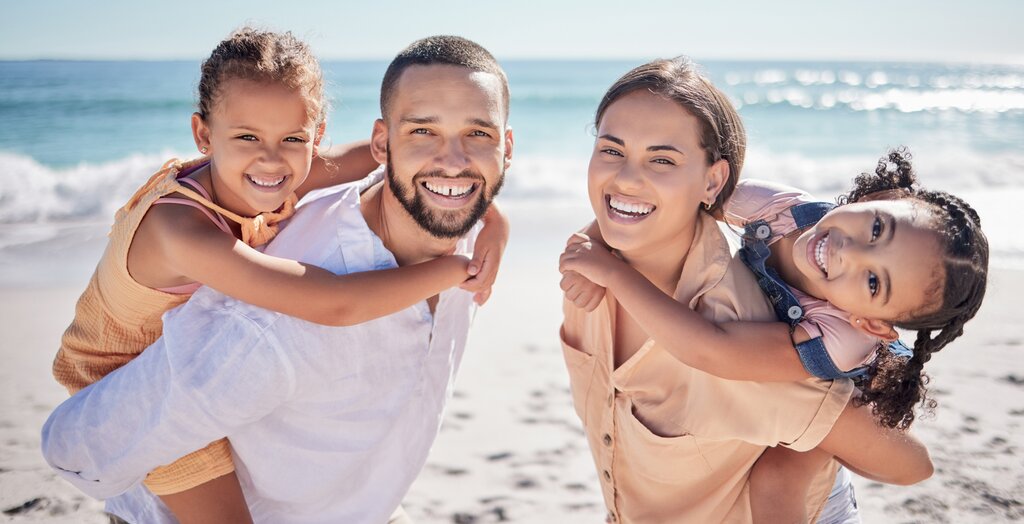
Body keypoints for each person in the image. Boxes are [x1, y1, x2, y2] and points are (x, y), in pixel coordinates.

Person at [42, 34, 513, 523]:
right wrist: (454, 268)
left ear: (315, 136)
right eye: (247, 137)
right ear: (203, 136)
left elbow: (431, 168)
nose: (271, 157)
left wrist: (493, 220)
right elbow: (333, 304)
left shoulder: (283, 172)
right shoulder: (181, 231)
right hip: (118, 368)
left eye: (293, 138)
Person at [557, 57, 935, 523]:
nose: (627, 178)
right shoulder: (589, 269)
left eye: (662, 159)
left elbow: (913, 464)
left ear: (713, 180)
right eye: (612, 151)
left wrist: (809, 447)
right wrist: (589, 242)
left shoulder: (745, 336)